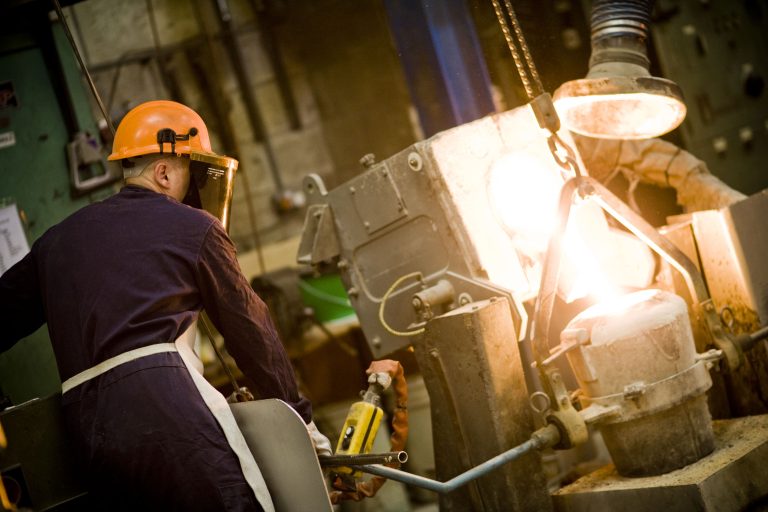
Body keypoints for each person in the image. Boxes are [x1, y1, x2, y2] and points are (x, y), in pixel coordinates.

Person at [0, 100, 330, 511]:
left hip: (87, 435)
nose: (192, 194)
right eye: (191, 177)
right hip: (165, 412)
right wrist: (302, 422)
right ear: (163, 171)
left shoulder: (55, 243)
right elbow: (252, 331)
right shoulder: (195, 227)